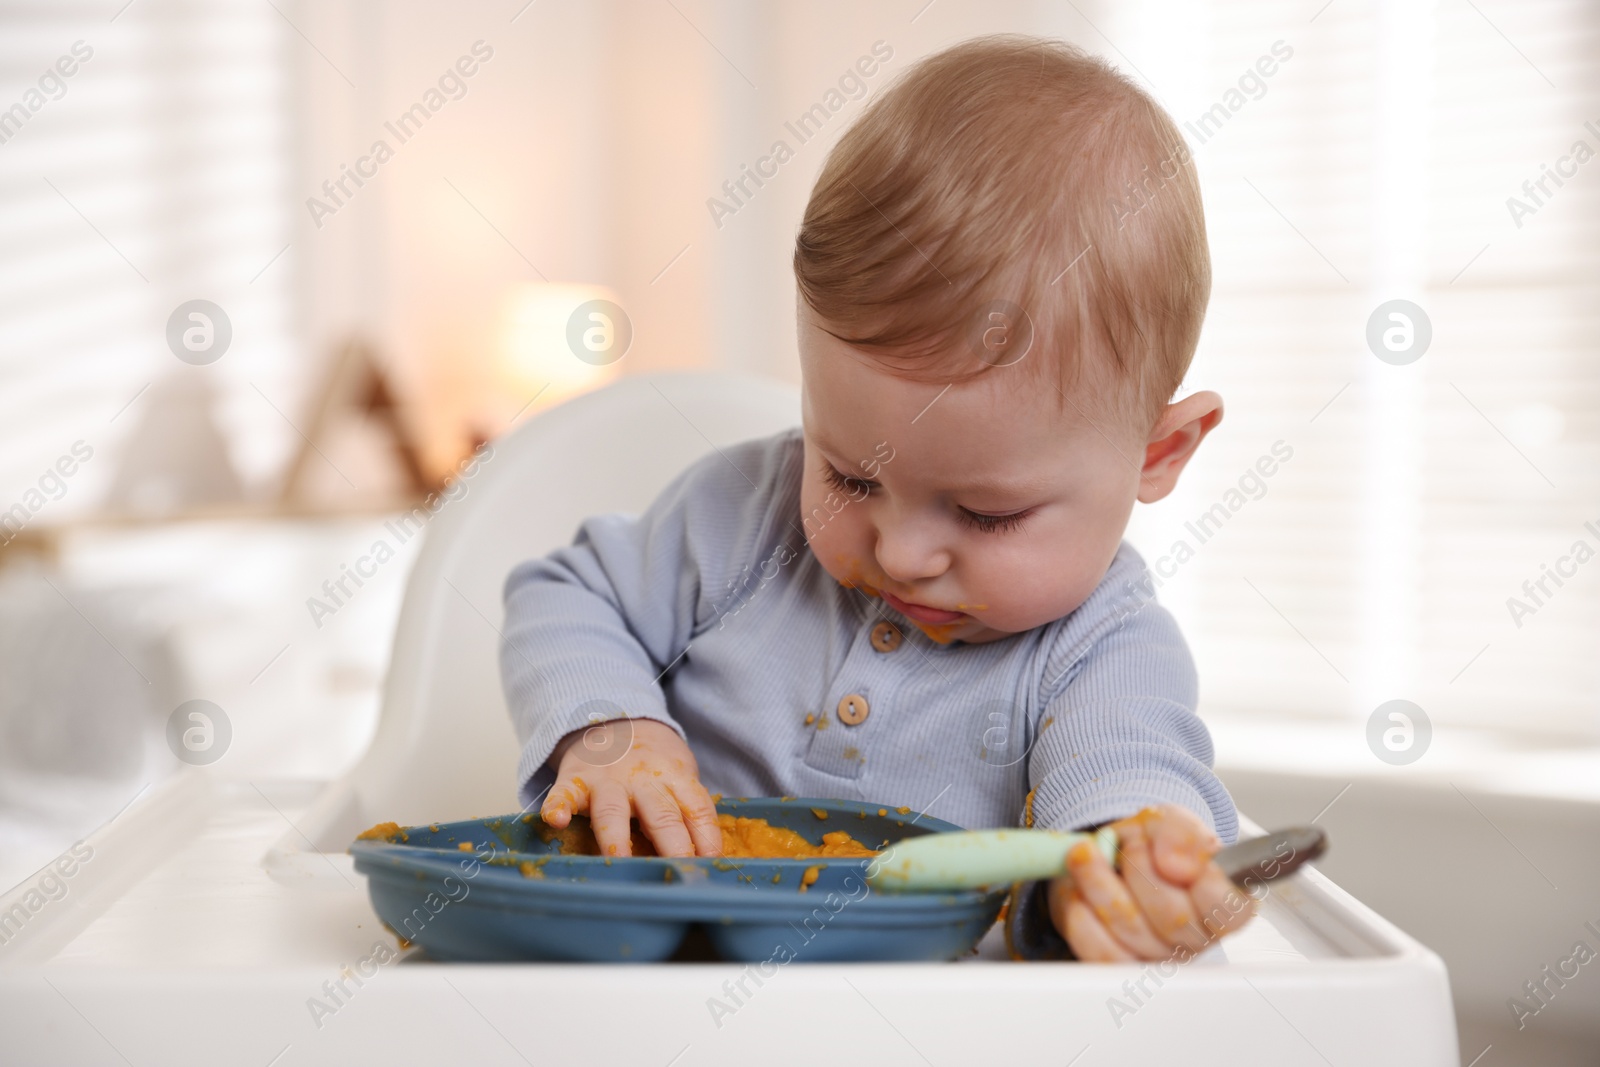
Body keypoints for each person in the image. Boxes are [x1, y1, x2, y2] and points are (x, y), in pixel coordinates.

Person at [501, 34, 1250, 962]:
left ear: (1160, 452)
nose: (900, 553)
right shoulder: (741, 517)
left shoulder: (1102, 649)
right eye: (852, 475)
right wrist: (612, 733)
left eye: (984, 513)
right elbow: (564, 596)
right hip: (663, 989)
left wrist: (1127, 875)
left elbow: (1129, 780)